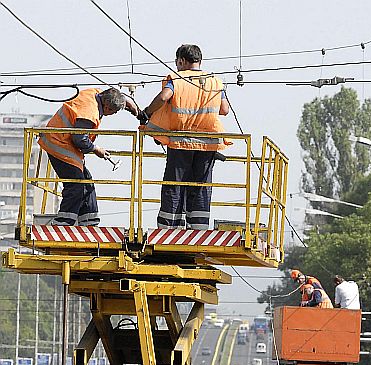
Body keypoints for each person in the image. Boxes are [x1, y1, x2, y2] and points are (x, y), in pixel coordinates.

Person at [142, 44, 230, 230]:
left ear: (181, 61)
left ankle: (169, 227)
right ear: (200, 61)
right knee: (201, 186)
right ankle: (198, 228)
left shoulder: (176, 79)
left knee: (175, 185)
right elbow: (225, 110)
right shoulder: (216, 82)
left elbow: (164, 97)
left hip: (181, 141)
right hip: (208, 145)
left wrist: (147, 112)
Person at [38, 88, 138, 226]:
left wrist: (129, 104)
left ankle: (89, 220)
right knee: (76, 184)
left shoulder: (95, 94)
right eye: (114, 112)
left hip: (64, 143)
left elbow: (113, 93)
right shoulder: (89, 112)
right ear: (107, 107)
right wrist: (96, 149)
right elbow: (79, 139)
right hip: (58, 144)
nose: (113, 114)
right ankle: (63, 223)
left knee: (86, 181)